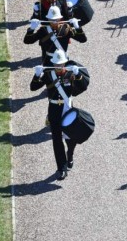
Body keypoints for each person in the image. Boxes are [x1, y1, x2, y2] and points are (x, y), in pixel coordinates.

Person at [30, 49, 89, 180]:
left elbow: (83, 87)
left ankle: (70, 154)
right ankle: (61, 168)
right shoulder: (48, 74)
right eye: (56, 64)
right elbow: (33, 87)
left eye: (60, 64)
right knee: (57, 139)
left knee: (70, 136)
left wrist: (78, 74)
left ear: (64, 63)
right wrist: (36, 75)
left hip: (67, 108)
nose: (58, 67)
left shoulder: (70, 73)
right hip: (54, 109)